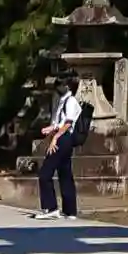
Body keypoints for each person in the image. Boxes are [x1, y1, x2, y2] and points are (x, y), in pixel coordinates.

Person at [32, 73, 83, 222]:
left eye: (59, 85)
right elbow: (61, 122)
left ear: (66, 86)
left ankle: (50, 208)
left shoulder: (71, 101)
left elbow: (68, 123)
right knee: (64, 173)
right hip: (62, 137)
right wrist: (51, 128)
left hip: (63, 139)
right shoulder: (63, 100)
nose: (57, 88)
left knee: (45, 173)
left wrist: (55, 138)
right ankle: (70, 210)